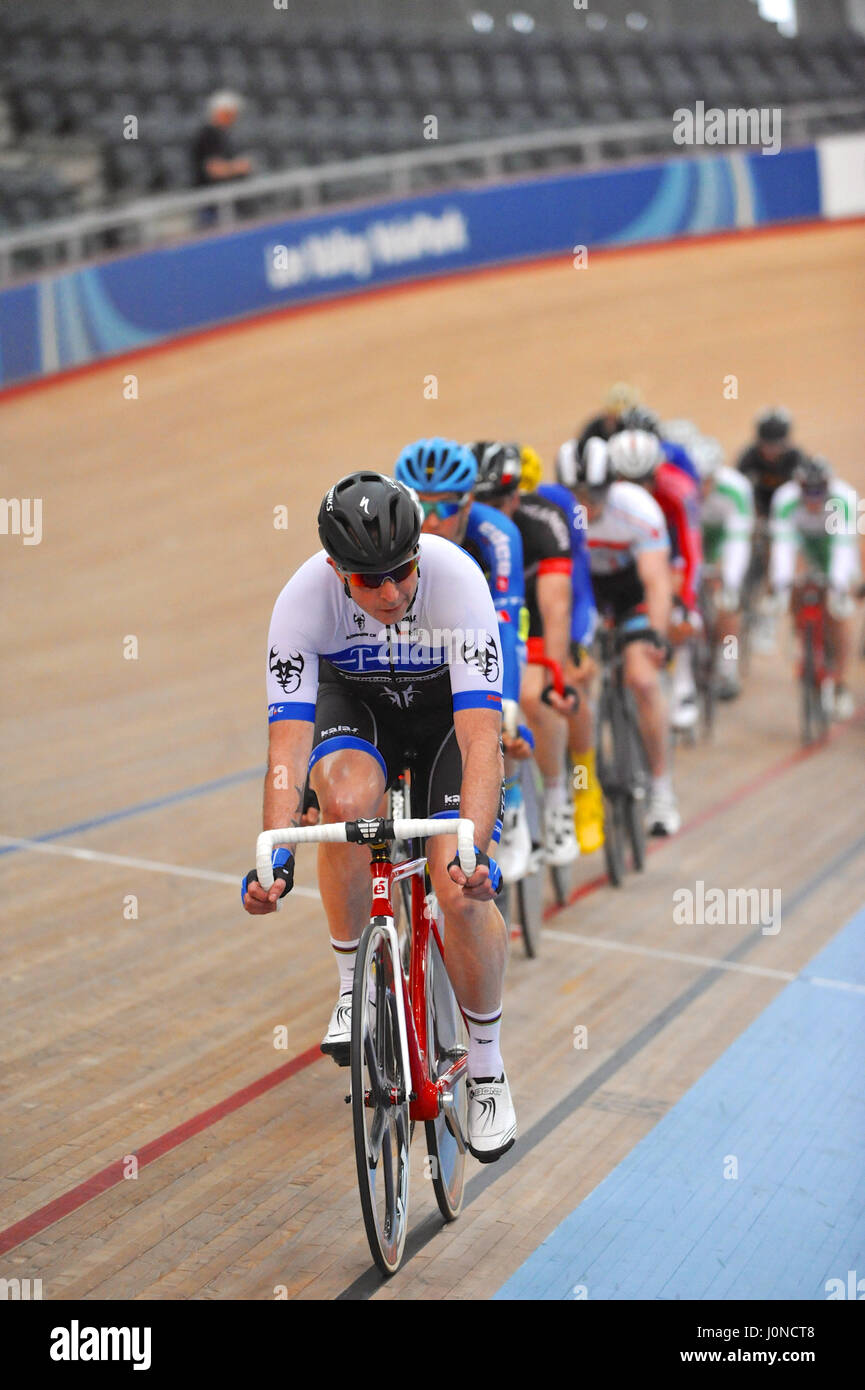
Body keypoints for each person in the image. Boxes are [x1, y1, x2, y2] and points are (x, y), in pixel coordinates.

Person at [242, 471, 516, 1162]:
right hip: (358, 711)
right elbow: (287, 749)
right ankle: (349, 990)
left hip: (447, 724)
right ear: (337, 573)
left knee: (457, 888)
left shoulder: (458, 583)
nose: (391, 592)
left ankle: (484, 1064)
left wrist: (472, 849)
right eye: (370, 581)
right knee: (343, 803)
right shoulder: (300, 604)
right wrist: (273, 857)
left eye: (401, 572)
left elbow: (481, 742)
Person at [393, 438, 534, 882]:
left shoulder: (496, 534)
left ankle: (509, 808)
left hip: (480, 636)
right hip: (417, 644)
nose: (432, 521)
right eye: (421, 506)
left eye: (446, 507)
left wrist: (505, 704)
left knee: (495, 728)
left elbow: (506, 625)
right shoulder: (391, 534)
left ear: (469, 504)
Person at [469, 442, 580, 867]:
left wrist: (555, 673)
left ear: (516, 497)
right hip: (480, 624)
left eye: (500, 501)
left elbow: (556, 607)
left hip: (530, 617)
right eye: (483, 501)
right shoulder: (468, 529)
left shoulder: (541, 523)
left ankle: (555, 799)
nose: (492, 509)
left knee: (531, 697)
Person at [571, 438, 680, 835]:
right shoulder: (563, 518)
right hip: (590, 596)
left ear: (612, 484)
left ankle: (661, 789)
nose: (589, 503)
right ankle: (579, 783)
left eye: (596, 493)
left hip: (633, 593)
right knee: (576, 675)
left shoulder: (637, 509)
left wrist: (656, 633)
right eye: (580, 494)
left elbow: (656, 581)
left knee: (642, 679)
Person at [607, 428, 704, 734]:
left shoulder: (677, 491)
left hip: (668, 552)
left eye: (643, 482)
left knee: (675, 610)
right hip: (625, 559)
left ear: (656, 473)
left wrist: (686, 603)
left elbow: (691, 551)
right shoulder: (604, 500)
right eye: (626, 482)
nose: (636, 491)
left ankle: (684, 684)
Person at [769, 454, 859, 720]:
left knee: (841, 615)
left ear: (829, 486)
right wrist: (781, 586)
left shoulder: (843, 499)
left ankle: (841, 683)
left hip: (836, 556)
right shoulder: (785, 500)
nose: (813, 497)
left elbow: (844, 548)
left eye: (819, 491)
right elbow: (783, 548)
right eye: (807, 491)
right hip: (806, 556)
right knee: (793, 590)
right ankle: (804, 638)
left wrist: (840, 587)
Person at [693, 437, 754, 701]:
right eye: (698, 480)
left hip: (723, 543)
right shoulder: (681, 488)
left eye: (708, 480)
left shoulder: (736, 489)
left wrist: (729, 580)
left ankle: (728, 667)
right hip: (694, 540)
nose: (703, 487)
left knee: (727, 603)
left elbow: (738, 542)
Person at [191, 91, 252, 224]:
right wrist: (238, 167)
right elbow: (214, 169)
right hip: (212, 207)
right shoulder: (208, 135)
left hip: (226, 204)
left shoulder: (223, 135)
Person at [737, 407, 801, 520]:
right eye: (766, 445)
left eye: (776, 446)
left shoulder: (797, 460)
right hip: (756, 513)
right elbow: (739, 492)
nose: (771, 451)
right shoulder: (748, 460)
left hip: (789, 515)